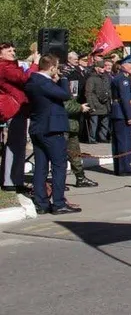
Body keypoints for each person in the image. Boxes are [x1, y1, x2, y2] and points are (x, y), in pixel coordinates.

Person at [24, 55, 81, 214]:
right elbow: (65, 95)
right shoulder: (43, 82)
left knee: (41, 167)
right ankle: (58, 203)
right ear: (52, 68)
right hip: (51, 129)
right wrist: (62, 79)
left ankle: (41, 203)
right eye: (57, 67)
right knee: (58, 166)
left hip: (38, 127)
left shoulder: (33, 80)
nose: (58, 70)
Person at [1, 43, 38, 193]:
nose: (13, 52)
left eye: (13, 50)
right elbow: (24, 78)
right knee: (15, 146)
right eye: (8, 50)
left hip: (17, 108)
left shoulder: (10, 65)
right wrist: (35, 64)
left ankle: (14, 179)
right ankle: (11, 181)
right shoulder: (4, 66)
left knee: (17, 145)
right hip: (13, 109)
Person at [110, 56, 131, 176]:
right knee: (124, 142)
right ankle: (125, 168)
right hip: (122, 113)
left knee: (120, 141)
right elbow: (125, 99)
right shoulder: (123, 80)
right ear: (124, 66)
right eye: (130, 64)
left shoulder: (121, 78)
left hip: (119, 113)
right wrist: (129, 116)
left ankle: (120, 167)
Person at [83, 58, 111, 144]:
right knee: (94, 123)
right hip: (95, 104)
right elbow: (88, 93)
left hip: (105, 104)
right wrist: (91, 105)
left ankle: (102, 137)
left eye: (103, 67)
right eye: (101, 67)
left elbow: (109, 89)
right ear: (96, 68)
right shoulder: (91, 79)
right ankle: (92, 138)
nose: (103, 69)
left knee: (104, 122)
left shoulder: (106, 77)